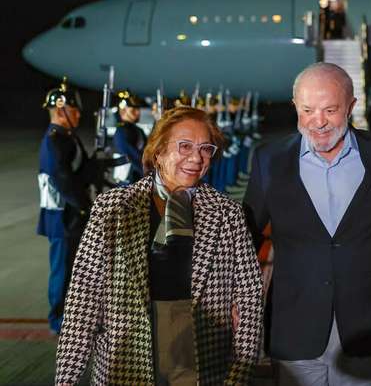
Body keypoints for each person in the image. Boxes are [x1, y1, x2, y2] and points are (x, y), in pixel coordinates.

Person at [243, 62, 371, 386]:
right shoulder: (269, 159)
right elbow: (248, 233)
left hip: (363, 320)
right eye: (307, 110)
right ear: (295, 106)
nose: (319, 122)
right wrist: (234, 293)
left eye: (330, 110)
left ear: (351, 106)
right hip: (295, 320)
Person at [55, 106, 264, 385]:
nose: (196, 158)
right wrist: (66, 380)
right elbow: (84, 298)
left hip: (202, 356)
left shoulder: (228, 213)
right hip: (125, 356)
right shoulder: (112, 209)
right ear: (158, 151)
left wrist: (239, 374)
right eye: (185, 146)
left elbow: (250, 296)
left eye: (205, 149)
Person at [37, 78, 93, 335]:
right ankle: (58, 319)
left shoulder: (66, 138)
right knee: (63, 269)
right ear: (61, 111)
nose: (78, 114)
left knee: (74, 268)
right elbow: (63, 179)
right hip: (62, 216)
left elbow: (78, 171)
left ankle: (71, 316)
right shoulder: (55, 140)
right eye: (74, 110)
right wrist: (83, 206)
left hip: (70, 214)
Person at [111, 89, 147, 185]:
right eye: (133, 110)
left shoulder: (138, 130)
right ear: (122, 111)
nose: (138, 113)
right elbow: (131, 157)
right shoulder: (121, 132)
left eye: (138, 109)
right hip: (128, 182)